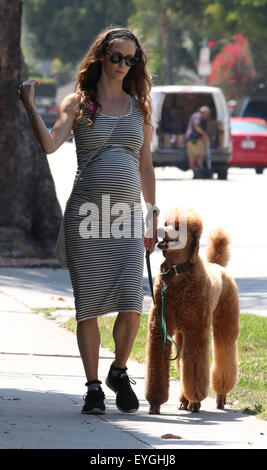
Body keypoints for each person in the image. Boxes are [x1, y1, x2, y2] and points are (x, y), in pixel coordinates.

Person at [18, 27, 158, 415]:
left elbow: (145, 166)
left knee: (132, 303)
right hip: (87, 218)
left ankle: (119, 371)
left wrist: (153, 214)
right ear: (101, 56)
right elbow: (49, 144)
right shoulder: (79, 103)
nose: (122, 65)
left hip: (127, 219)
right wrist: (31, 107)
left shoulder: (140, 107)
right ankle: (94, 387)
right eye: (116, 57)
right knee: (89, 307)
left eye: (130, 59)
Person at [185, 105, 211, 178]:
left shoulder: (195, 115)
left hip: (190, 139)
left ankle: (195, 173)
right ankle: (198, 172)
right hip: (195, 139)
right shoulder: (198, 116)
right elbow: (196, 126)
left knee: (192, 157)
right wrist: (204, 135)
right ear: (204, 113)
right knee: (200, 155)